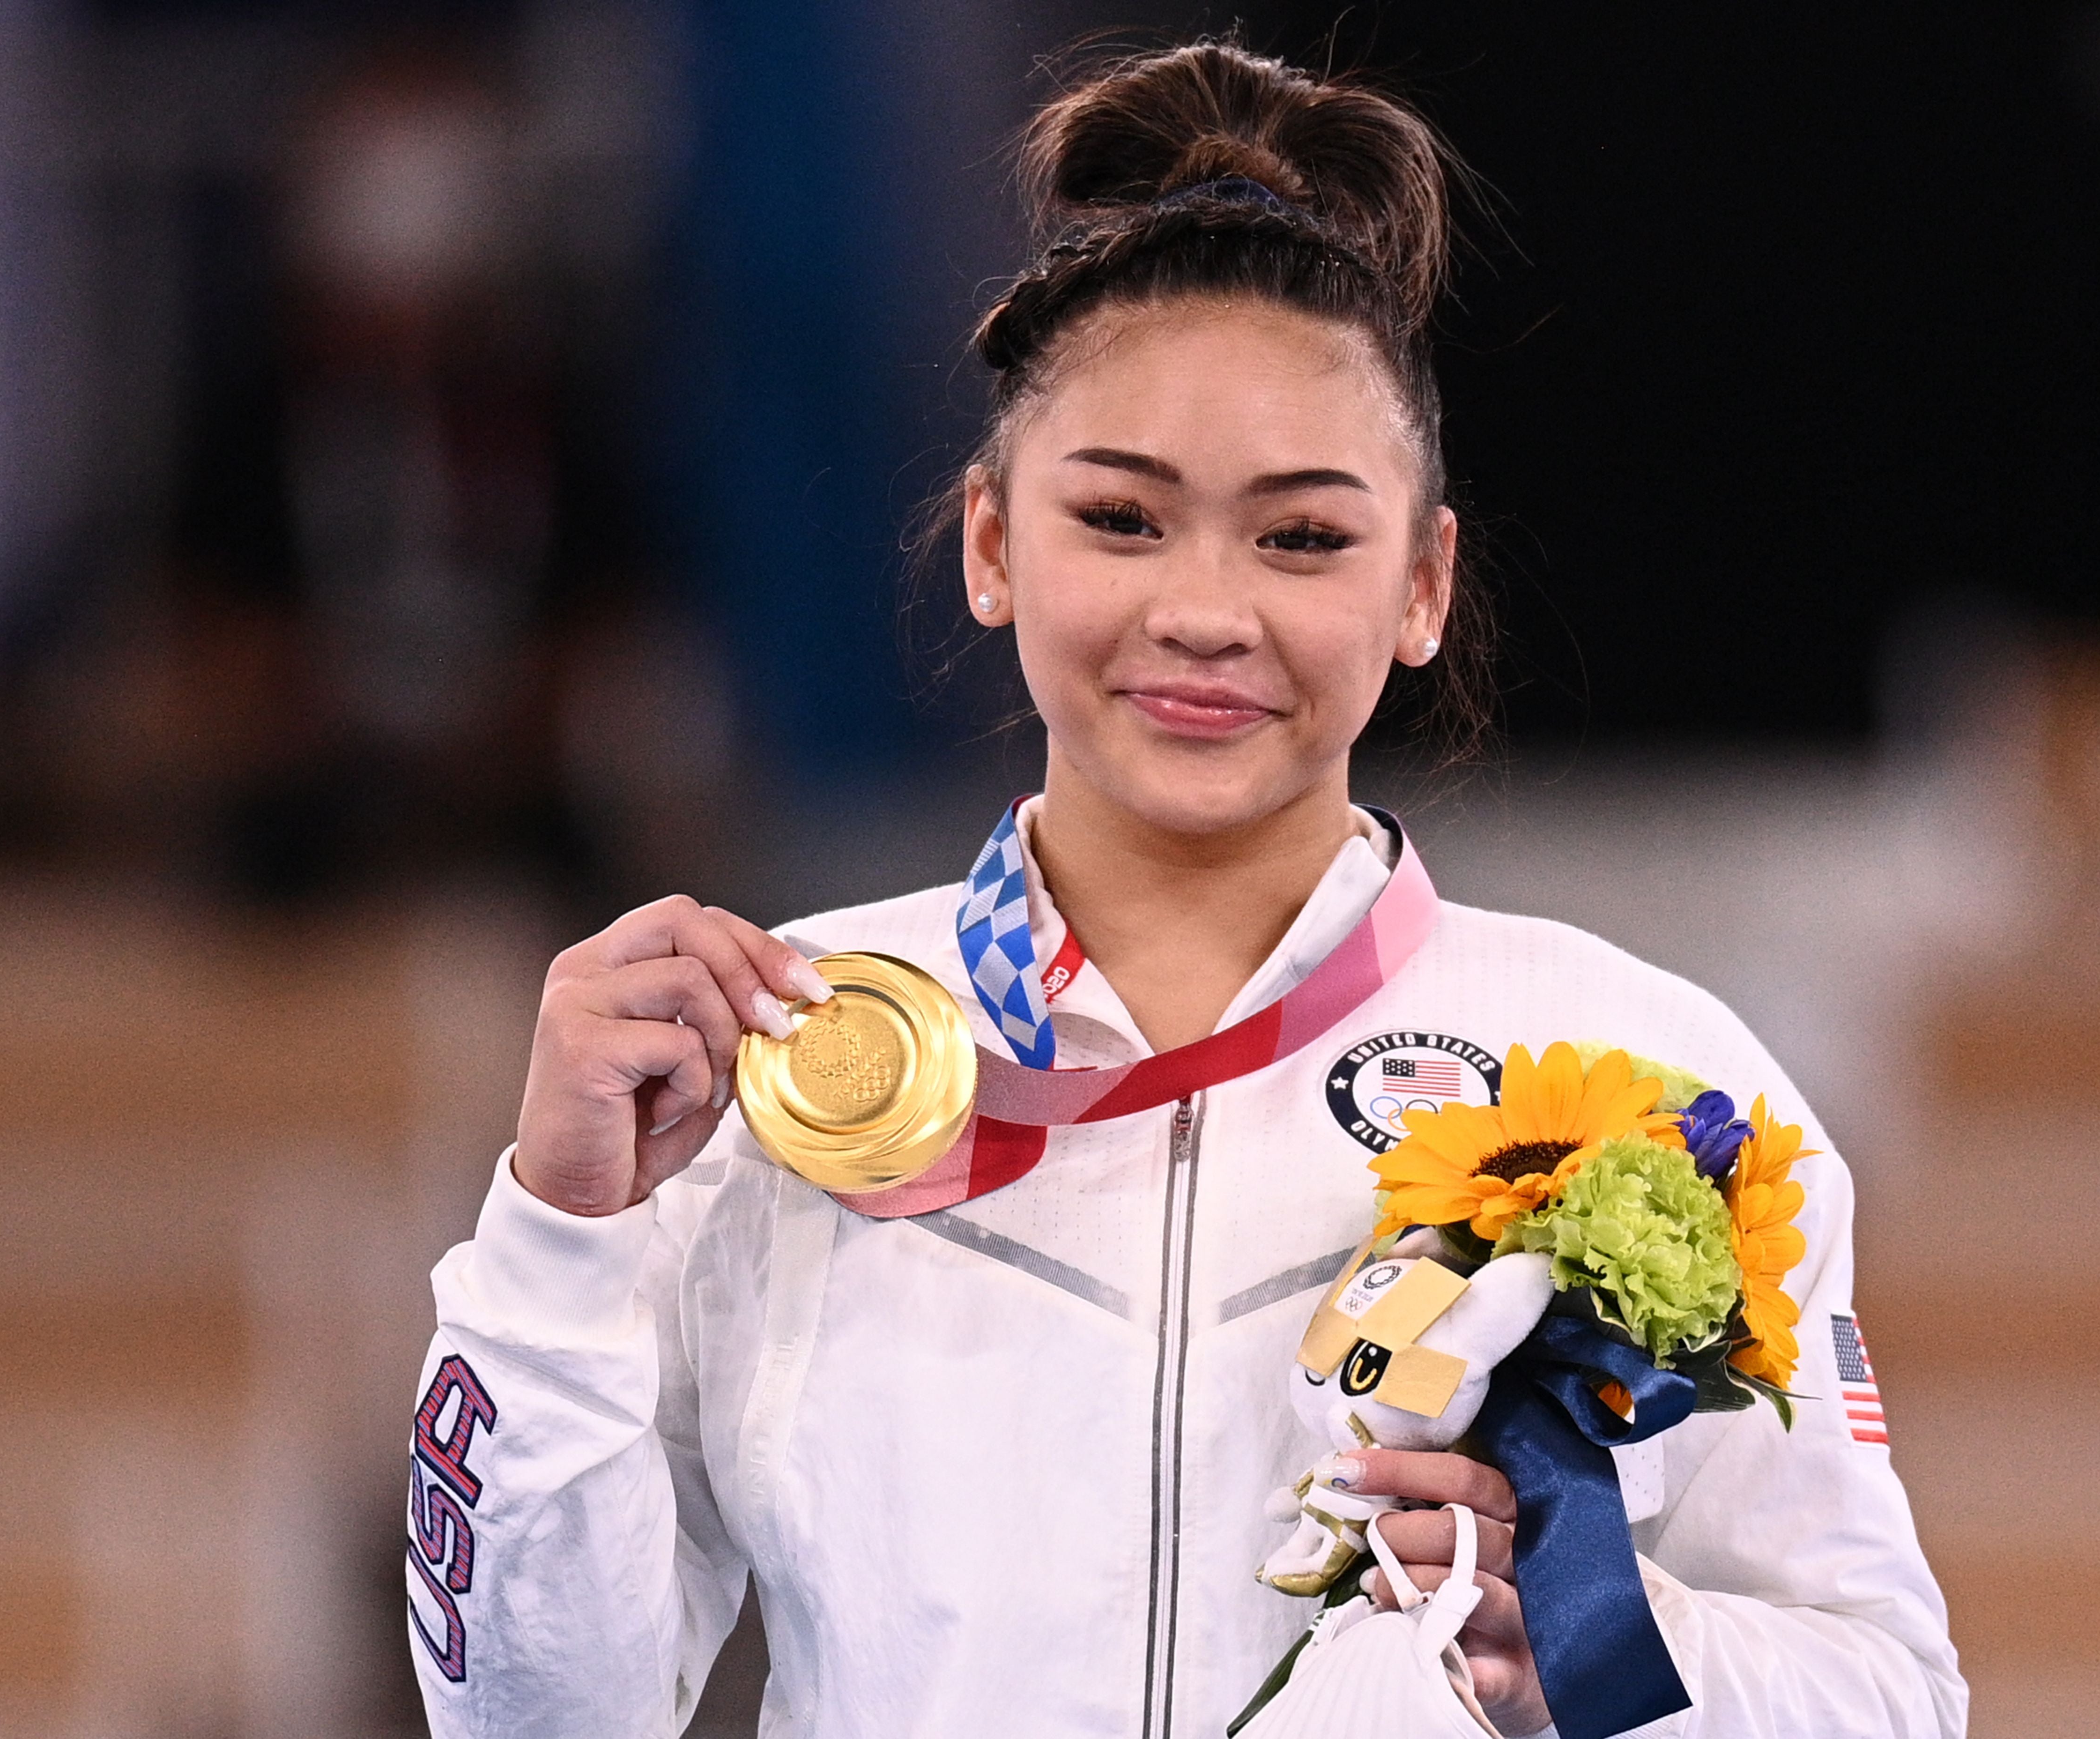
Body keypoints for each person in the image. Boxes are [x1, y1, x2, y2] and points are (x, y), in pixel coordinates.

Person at [406, 40, 1966, 1739]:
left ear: (1425, 583)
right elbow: (541, 1720)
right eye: (1124, 522)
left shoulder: (1649, 1077)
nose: (1208, 613)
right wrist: (559, 1237)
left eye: (1301, 539)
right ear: (995, 544)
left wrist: (1576, 1644)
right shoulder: (779, 1058)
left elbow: (1885, 1694)